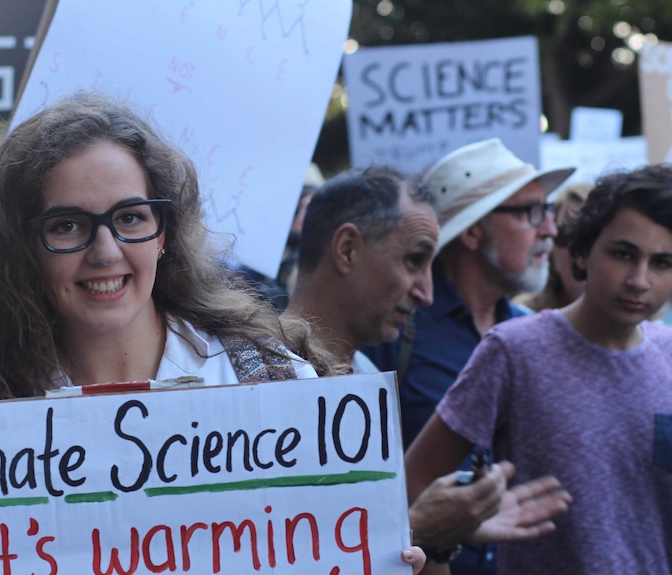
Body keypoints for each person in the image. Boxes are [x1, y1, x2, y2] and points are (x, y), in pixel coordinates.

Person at [0, 93, 429, 573]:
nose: (105, 251)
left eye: (130, 218)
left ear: (163, 234)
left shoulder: (274, 383)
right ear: (26, 247)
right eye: (68, 225)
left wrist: (380, 556)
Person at [285, 164, 570, 559]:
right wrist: (418, 526)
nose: (427, 293)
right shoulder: (245, 379)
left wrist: (435, 535)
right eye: (414, 261)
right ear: (347, 249)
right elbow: (270, 552)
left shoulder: (369, 379)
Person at [405, 164, 672, 574]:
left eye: (662, 263)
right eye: (623, 254)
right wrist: (445, 542)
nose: (639, 280)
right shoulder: (516, 349)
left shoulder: (668, 355)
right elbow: (414, 479)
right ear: (581, 253)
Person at [363, 138, 574, 574]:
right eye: (531, 212)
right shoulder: (394, 329)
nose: (550, 230)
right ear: (474, 231)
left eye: (549, 211)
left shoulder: (530, 333)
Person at [514, 182, 592, 311]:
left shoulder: (631, 318)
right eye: (566, 236)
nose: (578, 252)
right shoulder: (521, 317)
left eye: (591, 237)